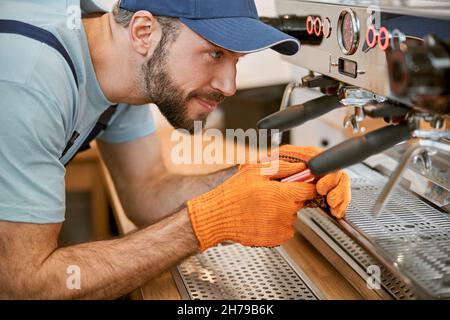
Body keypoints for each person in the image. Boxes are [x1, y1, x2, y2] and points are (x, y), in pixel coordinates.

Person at [0, 0, 351, 299]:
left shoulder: (125, 70)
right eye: (214, 54)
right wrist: (206, 223)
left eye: (236, 61)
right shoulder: (30, 79)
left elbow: (146, 194)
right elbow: (23, 285)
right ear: (143, 32)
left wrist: (259, 175)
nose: (229, 86)